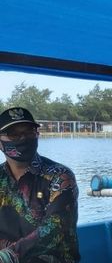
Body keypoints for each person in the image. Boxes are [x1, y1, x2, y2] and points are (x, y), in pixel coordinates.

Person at [0, 107, 79, 262]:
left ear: (37, 134)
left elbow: (54, 230)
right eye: (14, 134)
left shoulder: (60, 176)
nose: (23, 138)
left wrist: (7, 257)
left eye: (29, 132)